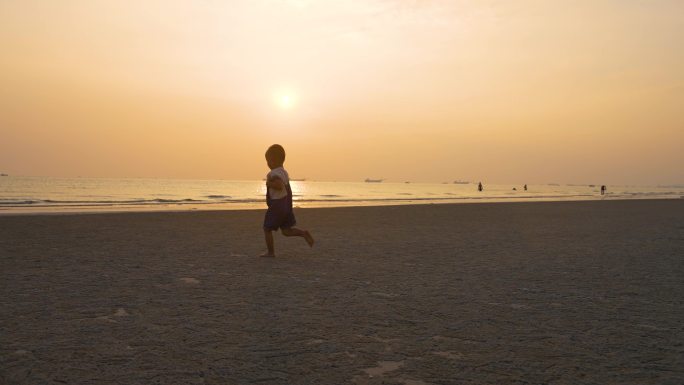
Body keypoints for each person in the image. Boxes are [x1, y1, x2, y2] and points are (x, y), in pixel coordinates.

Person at [261, 144, 314, 257]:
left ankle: (271, 252)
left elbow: (279, 186)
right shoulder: (284, 172)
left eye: (268, 161)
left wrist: (269, 183)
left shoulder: (273, 173)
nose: (267, 164)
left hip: (277, 206)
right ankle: (303, 233)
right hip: (286, 206)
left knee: (267, 228)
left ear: (272, 161)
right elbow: (286, 189)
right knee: (286, 231)